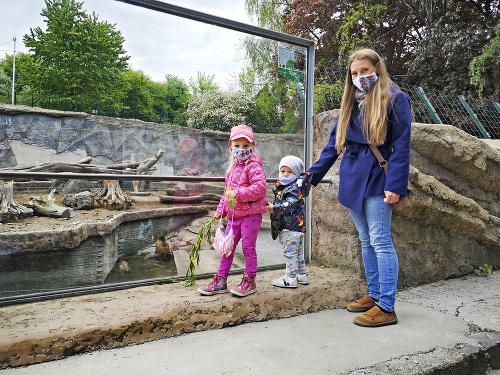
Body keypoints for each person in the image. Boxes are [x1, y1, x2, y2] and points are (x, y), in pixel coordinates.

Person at [307, 48, 412, 327]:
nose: (359, 77)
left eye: (364, 70)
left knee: (380, 240)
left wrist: (396, 185)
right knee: (366, 239)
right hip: (353, 177)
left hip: (379, 178)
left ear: (377, 68)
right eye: (354, 73)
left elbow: (401, 147)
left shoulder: (396, 99)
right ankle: (375, 294)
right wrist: (309, 179)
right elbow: (333, 146)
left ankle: (387, 306)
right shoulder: (350, 103)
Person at [198, 124, 267, 297]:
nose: (241, 150)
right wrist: (220, 209)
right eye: (237, 146)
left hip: (250, 215)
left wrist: (238, 193)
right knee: (227, 248)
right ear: (230, 146)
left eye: (245, 146)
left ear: (252, 146)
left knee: (248, 248)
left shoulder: (254, 166)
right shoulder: (231, 169)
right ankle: (221, 280)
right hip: (234, 216)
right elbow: (226, 194)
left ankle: (249, 281)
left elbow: (260, 188)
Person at [266, 155, 311, 288]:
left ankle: (290, 278)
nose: (285, 174)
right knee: (297, 253)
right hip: (297, 227)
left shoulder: (293, 188)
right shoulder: (293, 187)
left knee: (290, 253)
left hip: (289, 228)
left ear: (297, 173)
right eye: (283, 171)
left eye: (290, 172)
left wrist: (273, 208)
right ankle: (302, 275)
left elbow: (290, 205)